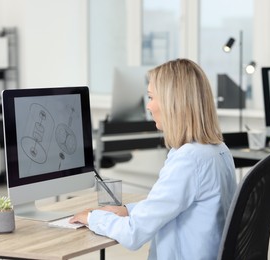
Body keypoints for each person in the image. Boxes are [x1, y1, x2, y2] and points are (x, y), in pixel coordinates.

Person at [70, 58, 237, 259]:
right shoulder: (218, 149)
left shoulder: (189, 160)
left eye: (151, 97)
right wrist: (127, 210)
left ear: (172, 103)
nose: (148, 106)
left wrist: (92, 218)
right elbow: (166, 205)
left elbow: (134, 233)